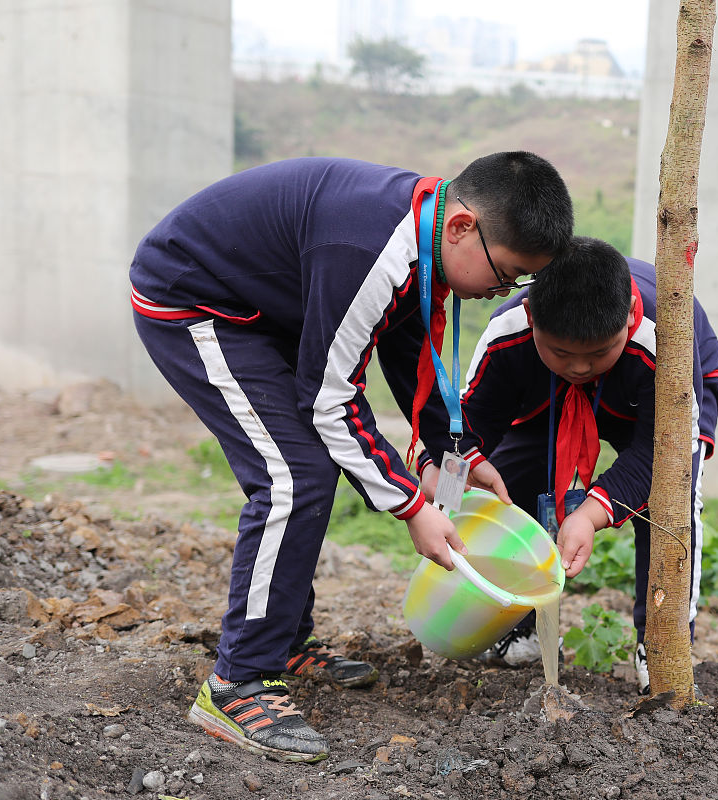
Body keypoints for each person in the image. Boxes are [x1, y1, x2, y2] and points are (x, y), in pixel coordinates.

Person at [130, 153, 573, 762]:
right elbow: (329, 401)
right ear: (464, 226)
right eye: (509, 273)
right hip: (200, 303)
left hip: (275, 309)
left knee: (307, 467)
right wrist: (411, 504)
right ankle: (238, 681)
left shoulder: (425, 231)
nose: (504, 291)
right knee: (293, 477)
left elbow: (410, 347)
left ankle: (282, 640)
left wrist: (452, 452)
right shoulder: (373, 250)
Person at [418, 237, 718, 694]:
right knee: (505, 479)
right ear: (531, 320)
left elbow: (660, 455)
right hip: (543, 397)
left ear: (629, 320)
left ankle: (662, 649)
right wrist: (442, 503)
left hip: (654, 403)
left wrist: (590, 512)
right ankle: (516, 624)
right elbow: (466, 432)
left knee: (672, 502)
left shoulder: (663, 343)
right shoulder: (510, 333)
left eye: (597, 354)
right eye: (563, 353)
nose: (580, 367)